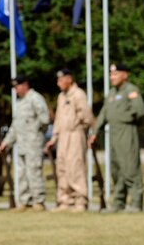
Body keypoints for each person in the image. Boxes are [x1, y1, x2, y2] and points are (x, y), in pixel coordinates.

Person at [89, 63, 144, 213]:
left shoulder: (131, 90)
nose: (112, 77)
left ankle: (136, 203)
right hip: (113, 134)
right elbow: (103, 113)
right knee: (116, 169)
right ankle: (118, 202)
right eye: (111, 74)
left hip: (127, 131)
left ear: (125, 75)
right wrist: (95, 131)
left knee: (130, 167)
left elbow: (140, 111)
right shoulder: (112, 93)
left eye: (115, 74)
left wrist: (125, 118)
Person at [0, 75, 50, 212]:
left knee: (34, 172)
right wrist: (5, 143)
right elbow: (15, 127)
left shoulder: (35, 98)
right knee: (22, 174)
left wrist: (34, 133)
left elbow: (44, 119)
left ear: (25, 84)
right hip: (21, 145)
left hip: (33, 144)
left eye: (17, 86)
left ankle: (38, 201)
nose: (16, 90)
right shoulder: (20, 103)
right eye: (14, 87)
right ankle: (25, 201)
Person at [44, 68, 94, 213]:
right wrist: (54, 138)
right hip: (63, 136)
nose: (58, 83)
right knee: (62, 167)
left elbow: (87, 117)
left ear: (69, 79)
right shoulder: (61, 97)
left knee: (75, 166)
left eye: (61, 80)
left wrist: (78, 128)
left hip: (75, 134)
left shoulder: (78, 95)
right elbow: (58, 119)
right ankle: (65, 200)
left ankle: (80, 199)